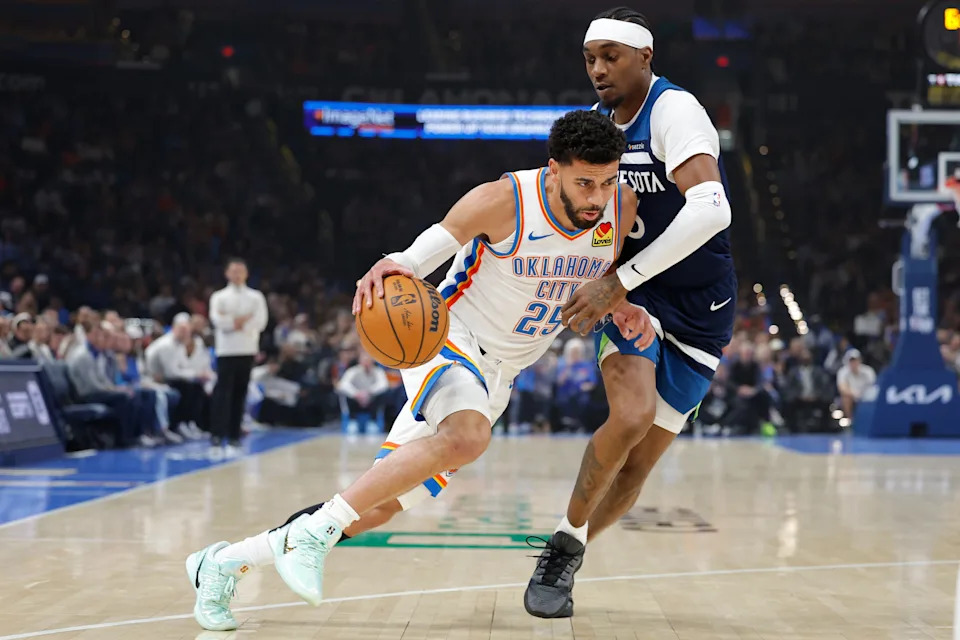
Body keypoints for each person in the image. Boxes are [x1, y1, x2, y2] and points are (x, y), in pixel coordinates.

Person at [184, 109, 643, 631]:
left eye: (607, 182)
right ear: (554, 169)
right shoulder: (504, 200)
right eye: (584, 183)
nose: (596, 197)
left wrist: (622, 306)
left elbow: (600, 277)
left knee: (377, 508)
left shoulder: (619, 207)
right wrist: (396, 263)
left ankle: (221, 564)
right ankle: (315, 534)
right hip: (449, 338)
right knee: (468, 436)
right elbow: (422, 252)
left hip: (501, 375)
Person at [523, 8, 736, 618]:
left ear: (646, 57)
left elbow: (712, 209)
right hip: (632, 298)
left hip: (698, 304)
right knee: (632, 415)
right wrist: (605, 286)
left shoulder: (674, 111)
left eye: (611, 57)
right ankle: (561, 553)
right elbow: (579, 218)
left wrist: (617, 280)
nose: (597, 69)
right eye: (590, 58)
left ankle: (569, 544)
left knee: (638, 466)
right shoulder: (593, 129)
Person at [208, 258, 268, 451]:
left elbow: (260, 321)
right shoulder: (219, 297)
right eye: (234, 271)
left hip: (247, 348)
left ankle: (234, 434)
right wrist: (239, 321)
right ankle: (217, 433)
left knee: (240, 393)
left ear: (246, 274)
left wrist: (235, 322)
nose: (237, 275)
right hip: (226, 350)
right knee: (222, 393)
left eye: (240, 271)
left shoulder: (255, 297)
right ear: (227, 273)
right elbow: (218, 321)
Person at [835, 349, 876, 422]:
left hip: (867, 396)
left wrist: (865, 395)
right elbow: (842, 388)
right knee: (846, 398)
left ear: (860, 360)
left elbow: (874, 387)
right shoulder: (843, 372)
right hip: (852, 396)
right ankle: (851, 421)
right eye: (851, 361)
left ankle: (871, 421)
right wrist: (854, 394)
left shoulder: (868, 371)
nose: (854, 363)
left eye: (855, 360)